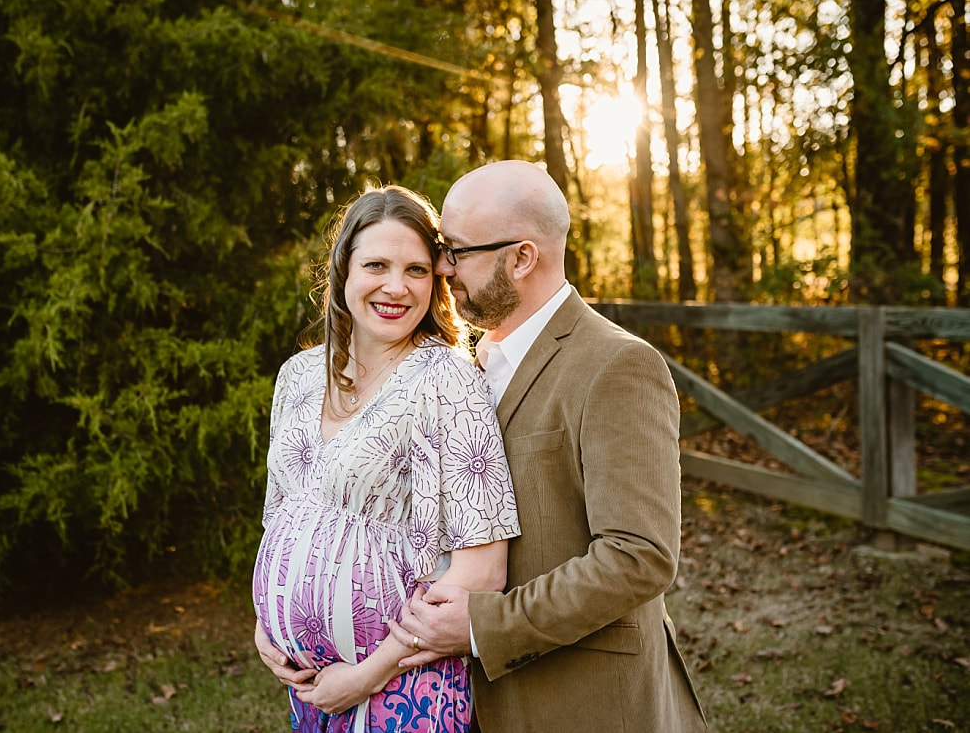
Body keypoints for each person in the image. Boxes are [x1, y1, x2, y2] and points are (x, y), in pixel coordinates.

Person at [383, 160, 708, 732]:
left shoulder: (617, 365)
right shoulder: (465, 368)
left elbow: (639, 557)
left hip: (582, 702)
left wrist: (485, 625)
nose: (440, 268)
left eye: (457, 251)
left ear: (522, 257)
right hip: (465, 703)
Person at [251, 184, 521, 733]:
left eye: (417, 271)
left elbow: (481, 571)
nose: (396, 287)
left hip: (403, 692)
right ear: (344, 270)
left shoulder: (448, 381)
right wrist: (265, 627)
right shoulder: (298, 377)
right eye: (376, 264)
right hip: (308, 685)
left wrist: (368, 675)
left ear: (437, 280)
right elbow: (279, 518)